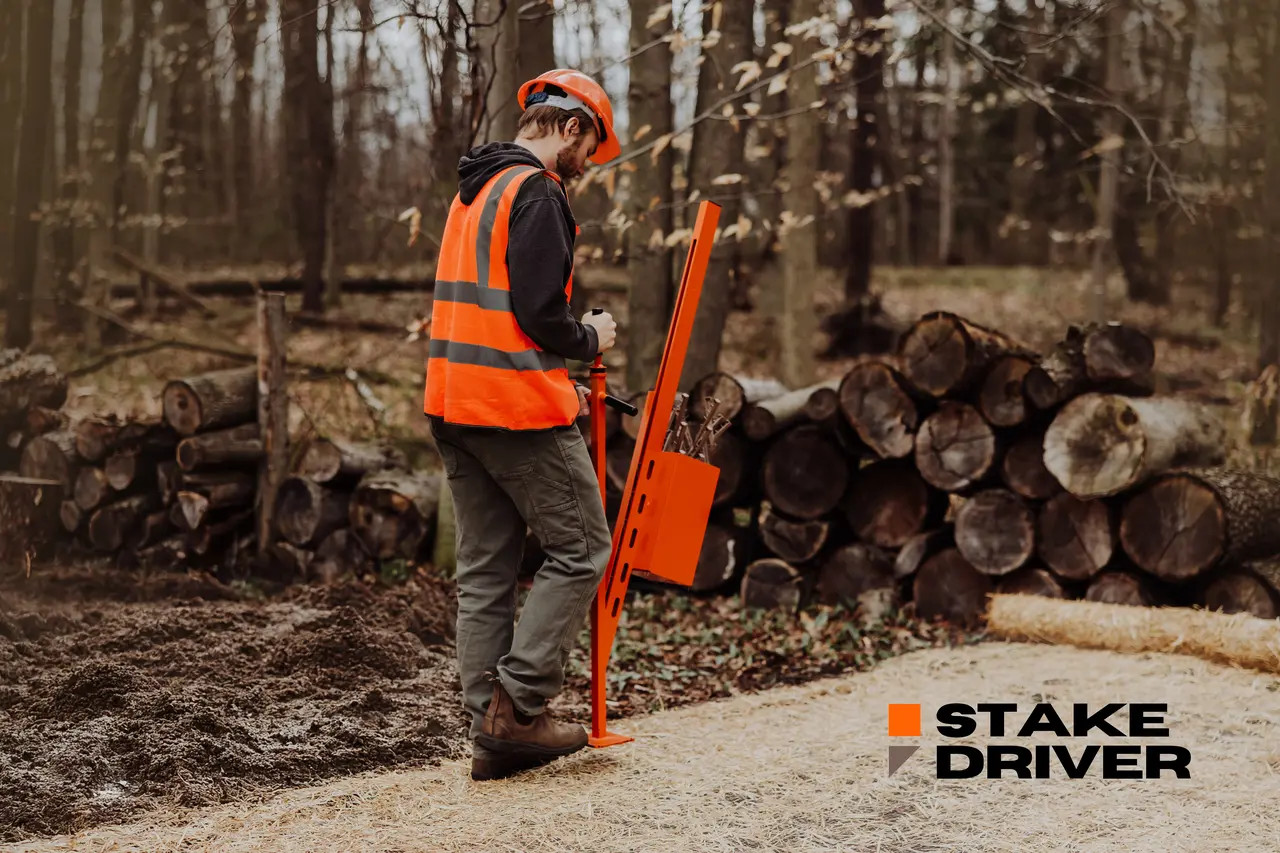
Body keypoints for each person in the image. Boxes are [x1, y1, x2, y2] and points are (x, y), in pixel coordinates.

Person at [423, 69, 621, 782]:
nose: (589, 163)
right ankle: (520, 704)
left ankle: (492, 731)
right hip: (511, 408)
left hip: (452, 399)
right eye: (591, 146)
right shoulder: (537, 190)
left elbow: (499, 307)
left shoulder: (474, 189)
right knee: (582, 548)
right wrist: (590, 337)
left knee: (484, 570)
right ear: (569, 127)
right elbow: (541, 310)